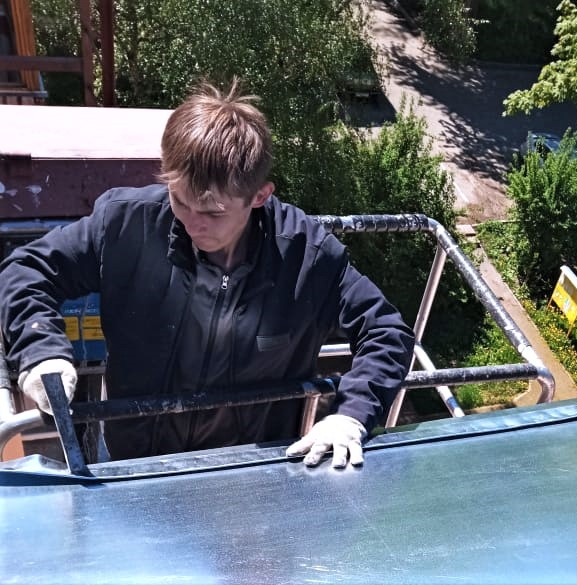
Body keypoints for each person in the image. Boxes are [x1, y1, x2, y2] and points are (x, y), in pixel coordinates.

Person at [0, 79, 415, 467]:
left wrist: (350, 415)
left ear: (259, 195)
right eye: (180, 201)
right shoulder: (124, 225)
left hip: (252, 471)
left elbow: (386, 331)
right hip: (135, 464)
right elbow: (25, 270)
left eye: (213, 212)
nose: (192, 224)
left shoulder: (307, 255)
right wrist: (40, 350)